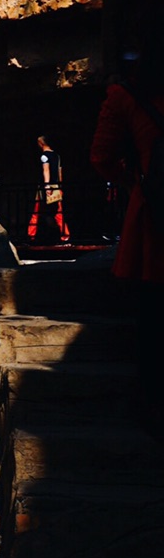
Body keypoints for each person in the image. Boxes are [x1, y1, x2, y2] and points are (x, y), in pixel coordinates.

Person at [91, 37, 164, 425]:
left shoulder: (126, 95)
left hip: (154, 215)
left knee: (153, 313)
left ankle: (152, 405)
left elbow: (101, 155)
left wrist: (133, 180)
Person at [28, 136, 70, 245]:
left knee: (37, 211)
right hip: (56, 186)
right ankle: (65, 236)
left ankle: (31, 236)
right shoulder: (57, 156)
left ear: (41, 143)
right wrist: (60, 186)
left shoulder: (44, 156)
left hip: (46, 187)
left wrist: (47, 186)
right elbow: (60, 172)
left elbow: (46, 170)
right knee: (58, 212)